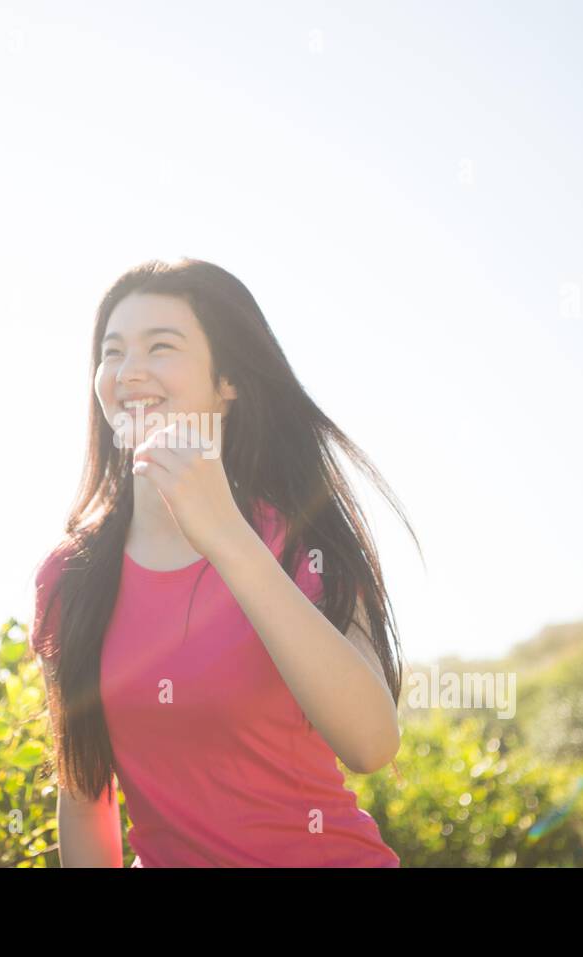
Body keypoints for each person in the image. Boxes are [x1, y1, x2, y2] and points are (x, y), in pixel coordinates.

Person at [29, 257, 422, 867]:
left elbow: (371, 744)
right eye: (112, 352)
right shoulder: (69, 578)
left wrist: (226, 537)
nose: (129, 372)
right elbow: (85, 799)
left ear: (228, 379)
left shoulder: (301, 542)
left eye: (161, 346)